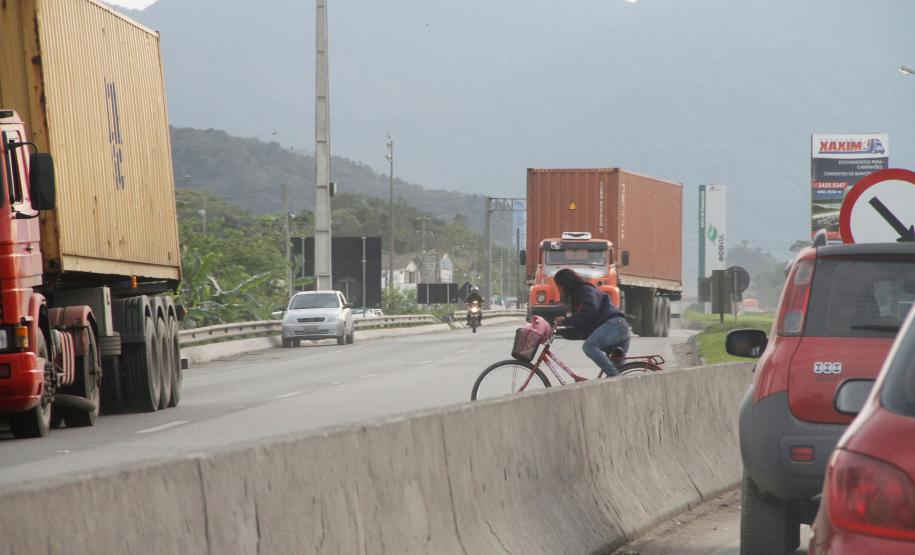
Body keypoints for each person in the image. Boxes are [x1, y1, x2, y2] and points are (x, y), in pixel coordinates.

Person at [553, 268, 630, 377]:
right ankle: (616, 380)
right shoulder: (577, 298)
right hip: (616, 328)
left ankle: (615, 377)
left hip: (615, 325)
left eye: (559, 287)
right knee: (616, 374)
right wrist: (559, 331)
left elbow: (590, 310)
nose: (559, 290)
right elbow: (581, 328)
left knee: (589, 346)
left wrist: (565, 321)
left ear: (565, 284)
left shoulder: (586, 290)